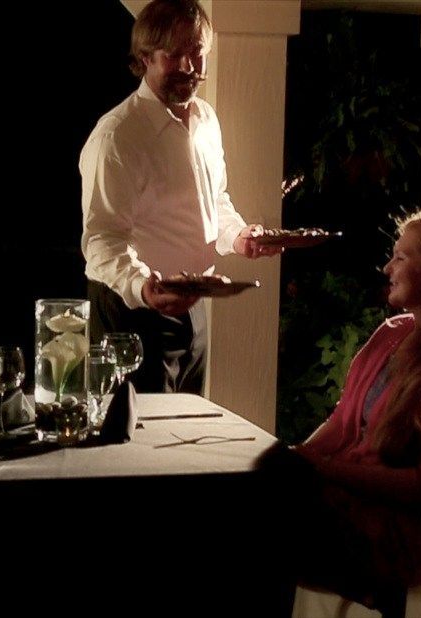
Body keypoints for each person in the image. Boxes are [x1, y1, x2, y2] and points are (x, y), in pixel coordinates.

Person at [257, 209, 421, 614]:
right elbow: (343, 423)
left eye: (401, 257)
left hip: (393, 537)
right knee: (236, 502)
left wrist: (321, 471)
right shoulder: (392, 334)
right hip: (344, 506)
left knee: (246, 532)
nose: (386, 267)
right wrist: (295, 460)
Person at [79, 0, 281, 394]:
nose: (189, 67)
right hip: (131, 310)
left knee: (188, 426)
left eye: (197, 53)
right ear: (145, 57)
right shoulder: (118, 135)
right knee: (139, 447)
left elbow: (214, 200)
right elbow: (102, 239)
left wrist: (240, 235)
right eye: (174, 55)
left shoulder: (205, 118)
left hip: (194, 305)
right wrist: (143, 287)